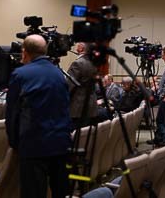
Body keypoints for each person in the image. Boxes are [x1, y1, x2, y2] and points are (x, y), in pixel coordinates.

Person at [6, 35, 72, 198]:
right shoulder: (58, 73)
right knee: (59, 192)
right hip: (61, 144)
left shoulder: (20, 74)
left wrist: (15, 144)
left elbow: (12, 113)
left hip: (34, 145)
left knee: (33, 193)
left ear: (24, 52)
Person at [67, 41, 99, 124]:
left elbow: (69, 85)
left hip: (78, 107)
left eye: (77, 45)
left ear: (81, 48)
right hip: (91, 107)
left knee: (77, 135)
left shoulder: (77, 63)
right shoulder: (94, 63)